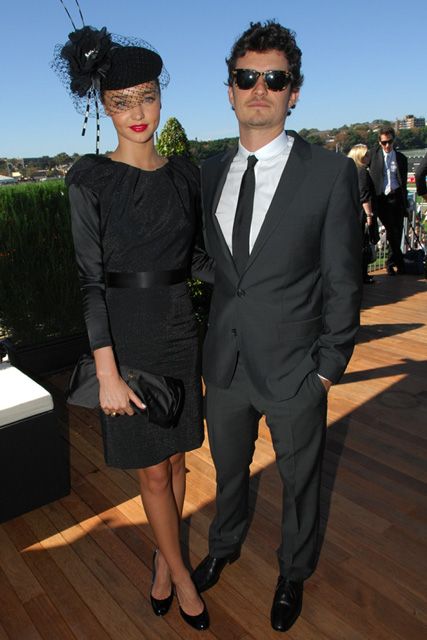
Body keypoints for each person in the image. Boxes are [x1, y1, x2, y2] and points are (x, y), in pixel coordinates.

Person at [191, 21, 362, 633]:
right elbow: (210, 260)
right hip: (226, 365)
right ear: (230, 90)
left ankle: (293, 570)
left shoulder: (330, 174)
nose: (259, 88)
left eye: (275, 78)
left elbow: (345, 278)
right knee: (228, 471)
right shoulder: (208, 173)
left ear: (294, 92)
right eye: (247, 77)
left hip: (297, 370)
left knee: (300, 481)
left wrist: (326, 368)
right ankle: (225, 543)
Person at [53, 21, 212, 631]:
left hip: (178, 329)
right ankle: (183, 578)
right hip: (125, 335)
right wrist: (107, 372)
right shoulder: (90, 178)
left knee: (174, 462)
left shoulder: (185, 175)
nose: (137, 112)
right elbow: (90, 283)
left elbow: (195, 259)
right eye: (122, 102)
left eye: (147, 96)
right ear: (104, 106)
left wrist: (253, 277)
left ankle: (162, 560)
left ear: (161, 96)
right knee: (150, 468)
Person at [367, 126, 408, 275]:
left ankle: (391, 263)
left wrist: (406, 203)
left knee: (397, 232)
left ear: (394, 140)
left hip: (396, 197)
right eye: (384, 142)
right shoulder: (372, 155)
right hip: (380, 199)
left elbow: (402, 181)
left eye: (389, 142)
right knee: (391, 231)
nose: (387, 145)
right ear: (379, 142)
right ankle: (400, 263)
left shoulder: (401, 158)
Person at [348, 144, 379, 284]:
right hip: (361, 213)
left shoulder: (349, 170)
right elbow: (364, 195)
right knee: (363, 243)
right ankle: (363, 276)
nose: (368, 157)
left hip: (352, 212)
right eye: (366, 155)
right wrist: (369, 214)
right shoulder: (362, 171)